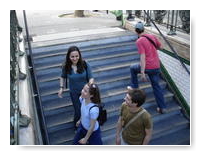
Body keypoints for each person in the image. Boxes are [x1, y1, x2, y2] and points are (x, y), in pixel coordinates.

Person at [128, 21, 167, 114]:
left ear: (136, 31)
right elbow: (161, 47)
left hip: (148, 67)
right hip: (156, 66)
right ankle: (162, 108)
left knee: (132, 68)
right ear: (143, 29)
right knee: (156, 86)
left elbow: (142, 57)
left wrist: (142, 73)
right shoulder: (152, 36)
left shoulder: (139, 41)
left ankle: (135, 90)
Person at [58, 46, 94, 130]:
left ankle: (86, 126)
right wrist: (61, 88)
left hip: (85, 93)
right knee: (78, 111)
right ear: (69, 57)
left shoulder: (85, 64)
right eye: (72, 56)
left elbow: (91, 77)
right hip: (74, 93)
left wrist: (90, 85)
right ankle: (77, 127)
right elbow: (62, 77)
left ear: (79, 55)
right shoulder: (66, 66)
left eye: (76, 56)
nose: (75, 58)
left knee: (86, 110)